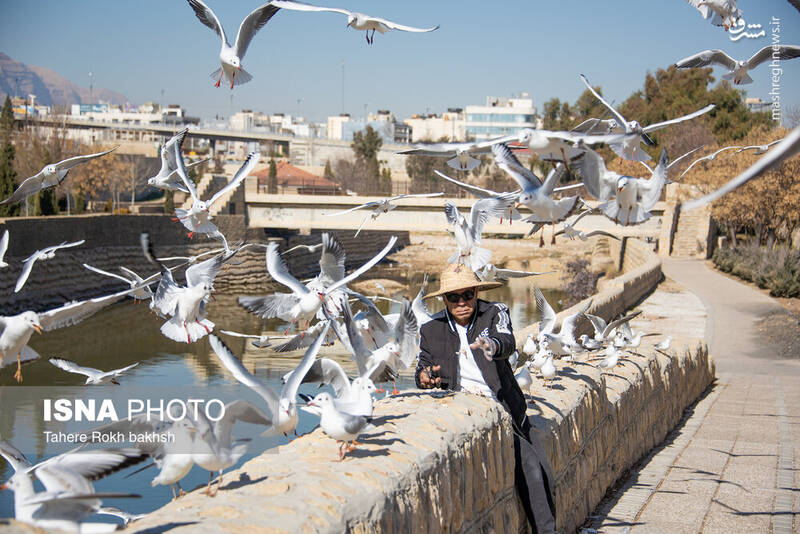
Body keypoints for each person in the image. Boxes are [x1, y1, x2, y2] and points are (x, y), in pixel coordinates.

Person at [415, 263, 556, 534]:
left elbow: (506, 340)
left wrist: (492, 346)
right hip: (463, 410)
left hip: (505, 407)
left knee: (537, 468)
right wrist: (425, 377)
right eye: (453, 297)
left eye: (468, 294)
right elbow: (422, 367)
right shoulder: (431, 329)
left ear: (477, 292)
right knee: (524, 464)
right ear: (444, 299)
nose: (462, 302)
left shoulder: (494, 312)